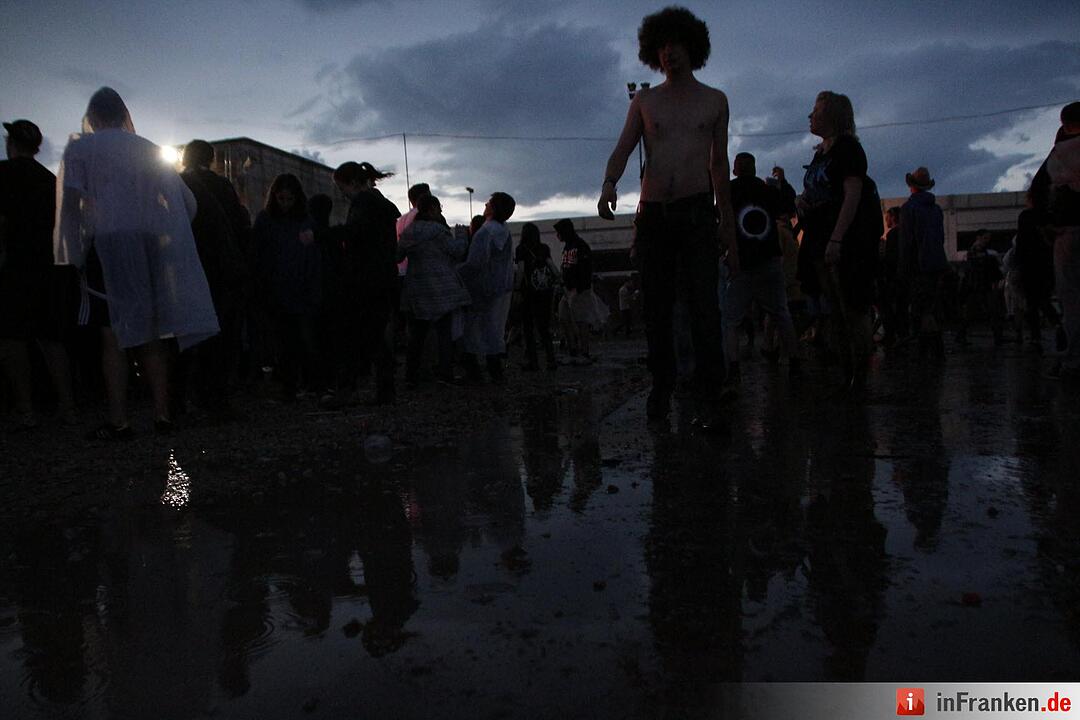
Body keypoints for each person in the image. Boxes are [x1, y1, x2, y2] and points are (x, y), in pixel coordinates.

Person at [597, 6, 734, 423]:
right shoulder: (645, 100)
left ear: (693, 47)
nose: (669, 53)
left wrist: (726, 222)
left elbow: (718, 164)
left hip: (696, 213)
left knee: (704, 306)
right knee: (655, 307)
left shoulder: (714, 100)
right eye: (661, 47)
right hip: (655, 213)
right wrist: (608, 183)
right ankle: (662, 387)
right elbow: (624, 146)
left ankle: (712, 393)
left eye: (675, 44)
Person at [55, 88, 218, 438]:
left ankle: (120, 420)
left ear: (93, 117)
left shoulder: (80, 148)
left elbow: (70, 207)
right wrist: (164, 230)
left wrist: (73, 252)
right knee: (152, 331)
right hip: (146, 245)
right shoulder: (146, 149)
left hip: (105, 245)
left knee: (111, 335)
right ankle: (162, 415)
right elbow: (187, 203)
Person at [797, 90, 880, 394]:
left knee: (851, 306)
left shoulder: (848, 150)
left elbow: (852, 194)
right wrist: (804, 201)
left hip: (844, 239)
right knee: (833, 306)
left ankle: (859, 372)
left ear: (833, 115)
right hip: (819, 237)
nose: (811, 115)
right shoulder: (821, 153)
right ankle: (846, 370)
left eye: (816, 110)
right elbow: (820, 191)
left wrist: (838, 238)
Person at [0, 119, 77, 429]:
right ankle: (68, 406)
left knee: (11, 338)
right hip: (50, 267)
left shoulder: (2, 174)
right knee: (51, 339)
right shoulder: (50, 180)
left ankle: (26, 409)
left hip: (13, 266)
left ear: (11, 144)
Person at [179, 140, 249, 416]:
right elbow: (239, 225)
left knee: (189, 336)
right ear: (211, 159)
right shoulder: (222, 187)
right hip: (223, 271)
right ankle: (216, 398)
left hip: (189, 268)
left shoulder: (178, 184)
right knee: (221, 336)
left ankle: (182, 399)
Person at [721, 152, 800, 381]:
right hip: (769, 259)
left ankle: (733, 369)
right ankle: (794, 362)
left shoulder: (728, 191)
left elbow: (723, 223)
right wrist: (781, 183)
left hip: (741, 262)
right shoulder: (768, 191)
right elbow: (788, 206)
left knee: (731, 320)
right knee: (781, 312)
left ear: (735, 170)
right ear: (754, 169)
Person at [329, 161, 400, 405]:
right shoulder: (381, 205)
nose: (343, 195)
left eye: (342, 188)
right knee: (378, 335)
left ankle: (349, 390)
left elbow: (354, 233)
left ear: (352, 184)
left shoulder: (364, 203)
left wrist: (320, 235)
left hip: (365, 280)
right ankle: (384, 391)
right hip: (383, 278)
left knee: (356, 335)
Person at [253, 173, 322, 400]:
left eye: (288, 199)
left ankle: (304, 384)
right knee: (285, 341)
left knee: (301, 339)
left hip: (298, 287)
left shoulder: (301, 220)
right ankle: (293, 386)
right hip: (279, 289)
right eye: (281, 199)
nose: (284, 203)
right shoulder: (268, 220)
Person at [398, 194, 471, 385]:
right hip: (442, 289)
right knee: (443, 334)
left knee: (417, 336)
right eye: (439, 208)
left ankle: (411, 376)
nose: (441, 212)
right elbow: (457, 251)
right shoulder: (438, 231)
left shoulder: (409, 232)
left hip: (417, 289)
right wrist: (463, 236)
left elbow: (398, 256)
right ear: (431, 209)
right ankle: (445, 373)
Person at [1033, 101, 1080, 382]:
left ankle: (1073, 361)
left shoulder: (1059, 153)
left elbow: (1038, 191)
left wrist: (1045, 223)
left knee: (1072, 299)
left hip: (1066, 232)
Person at [457, 192, 516, 383]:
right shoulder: (504, 231)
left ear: (494, 208)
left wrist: (456, 271)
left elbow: (474, 264)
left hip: (482, 289)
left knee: (472, 331)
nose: (485, 205)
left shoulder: (485, 232)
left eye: (489, 203)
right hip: (502, 287)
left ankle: (474, 373)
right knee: (495, 330)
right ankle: (496, 372)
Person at [898, 167, 950, 359]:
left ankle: (934, 349)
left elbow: (907, 243)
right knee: (930, 306)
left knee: (922, 308)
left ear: (911, 186)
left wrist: (902, 270)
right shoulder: (936, 210)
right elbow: (940, 237)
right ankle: (931, 348)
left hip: (918, 266)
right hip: (936, 263)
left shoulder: (908, 209)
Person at [555, 218, 605, 362]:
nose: (557, 236)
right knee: (564, 317)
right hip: (569, 289)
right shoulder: (569, 247)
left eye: (559, 232)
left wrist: (578, 288)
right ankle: (574, 348)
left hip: (579, 290)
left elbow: (585, 270)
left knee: (581, 320)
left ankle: (584, 351)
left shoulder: (580, 246)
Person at [515, 222, 559, 371]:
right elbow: (552, 267)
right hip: (545, 293)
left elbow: (521, 270)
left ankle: (533, 362)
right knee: (544, 328)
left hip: (528, 294)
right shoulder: (544, 248)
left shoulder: (521, 249)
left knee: (528, 328)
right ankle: (551, 360)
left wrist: (516, 288)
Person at [956, 229, 1004, 347]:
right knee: (991, 311)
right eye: (985, 238)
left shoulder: (976, 251)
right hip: (979, 285)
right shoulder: (978, 252)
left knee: (973, 312)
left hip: (977, 286)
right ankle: (997, 337)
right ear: (979, 237)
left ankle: (961, 335)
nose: (987, 240)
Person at [877, 207, 909, 350]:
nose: (886, 221)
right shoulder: (906, 233)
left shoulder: (892, 235)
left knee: (888, 308)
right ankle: (903, 335)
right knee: (902, 307)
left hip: (894, 277)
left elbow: (890, 259)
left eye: (888, 218)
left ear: (893, 217)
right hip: (905, 275)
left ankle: (891, 335)